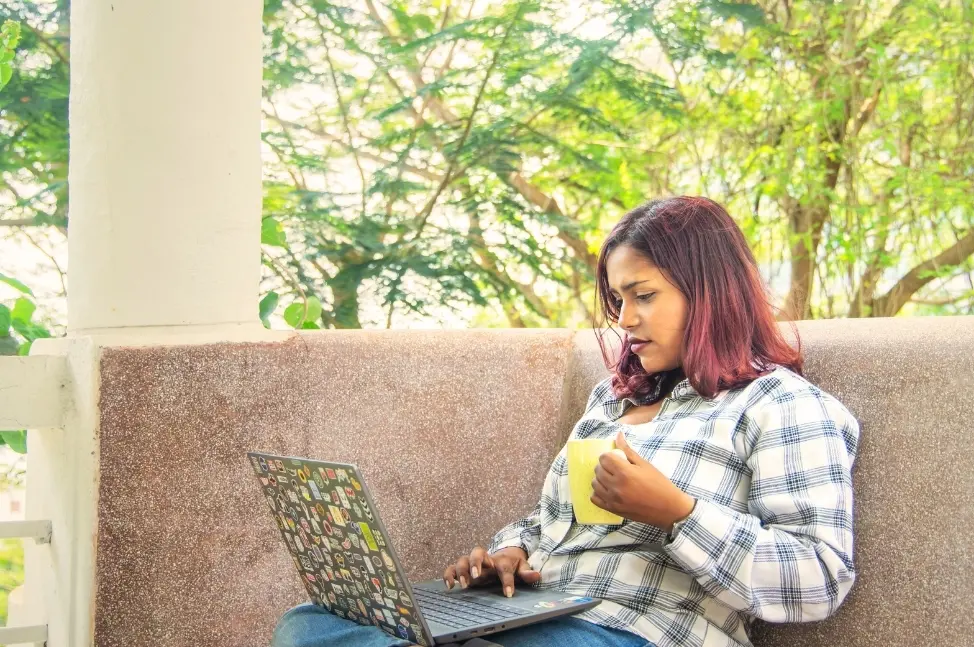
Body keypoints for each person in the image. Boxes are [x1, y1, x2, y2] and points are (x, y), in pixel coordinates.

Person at [272, 196, 860, 647]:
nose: (625, 319)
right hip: (538, 615)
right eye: (618, 300)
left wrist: (678, 515)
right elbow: (553, 523)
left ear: (709, 293)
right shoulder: (611, 399)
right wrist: (509, 555)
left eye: (644, 296)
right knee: (313, 623)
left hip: (641, 631)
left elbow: (819, 578)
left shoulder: (780, 404)